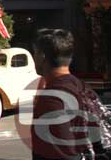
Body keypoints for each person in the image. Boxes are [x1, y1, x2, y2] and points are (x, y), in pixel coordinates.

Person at [31, 28, 108, 160]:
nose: (33, 58)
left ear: (42, 57)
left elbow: (59, 154)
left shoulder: (52, 99)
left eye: (35, 53)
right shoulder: (84, 88)